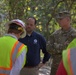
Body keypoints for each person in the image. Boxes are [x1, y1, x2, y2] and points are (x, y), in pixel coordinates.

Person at [46, 10, 76, 75]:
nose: (58, 21)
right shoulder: (55, 34)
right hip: (55, 68)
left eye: (61, 19)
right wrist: (62, 47)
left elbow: (71, 51)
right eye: (58, 19)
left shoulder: (74, 34)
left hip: (68, 68)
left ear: (68, 20)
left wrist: (56, 46)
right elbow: (48, 48)